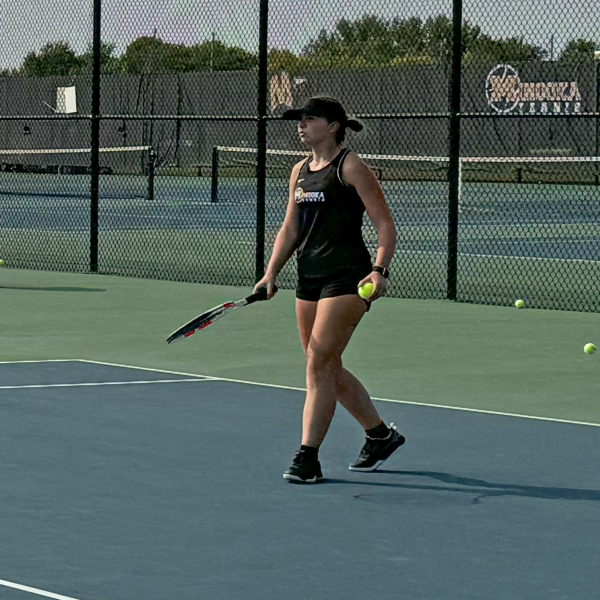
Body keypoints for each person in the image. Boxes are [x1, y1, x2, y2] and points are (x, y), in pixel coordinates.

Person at [254, 96, 405, 483]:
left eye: (310, 119)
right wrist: (271, 273)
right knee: (322, 364)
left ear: (334, 125)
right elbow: (290, 228)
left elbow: (384, 224)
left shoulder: (350, 167)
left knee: (319, 361)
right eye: (299, 120)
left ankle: (308, 457)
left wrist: (379, 270)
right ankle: (379, 435)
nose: (301, 125)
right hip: (309, 278)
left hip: (348, 278)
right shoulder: (299, 171)